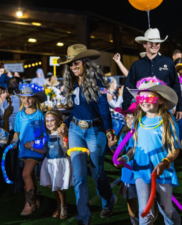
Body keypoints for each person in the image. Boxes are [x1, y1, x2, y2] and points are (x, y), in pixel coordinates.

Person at [57, 44, 117, 225]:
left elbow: (104, 108)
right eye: (71, 64)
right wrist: (64, 123)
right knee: (79, 176)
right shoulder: (73, 82)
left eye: (77, 63)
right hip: (75, 130)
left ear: (85, 62)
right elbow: (76, 110)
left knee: (97, 173)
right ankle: (83, 216)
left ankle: (109, 200)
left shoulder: (97, 80)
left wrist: (109, 131)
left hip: (95, 130)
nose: (74, 67)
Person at [116, 76, 181, 225]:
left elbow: (175, 149)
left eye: (149, 97)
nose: (144, 101)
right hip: (141, 170)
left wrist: (164, 163)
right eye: (141, 97)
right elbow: (135, 148)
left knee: (167, 210)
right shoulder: (138, 121)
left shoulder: (168, 121)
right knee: (144, 213)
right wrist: (125, 158)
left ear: (161, 100)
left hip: (162, 172)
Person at [122, 28, 182, 121]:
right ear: (144, 44)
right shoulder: (136, 65)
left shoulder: (168, 62)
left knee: (166, 135)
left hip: (165, 108)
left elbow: (176, 85)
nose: (154, 45)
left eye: (157, 43)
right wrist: (127, 110)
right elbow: (128, 88)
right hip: (143, 109)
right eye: (151, 42)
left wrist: (179, 107)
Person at [11, 84, 47, 216]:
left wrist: (33, 144)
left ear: (35, 99)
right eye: (23, 98)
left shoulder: (40, 115)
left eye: (29, 98)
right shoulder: (19, 115)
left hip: (35, 150)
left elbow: (45, 135)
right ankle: (36, 200)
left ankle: (29, 204)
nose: (26, 101)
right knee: (30, 175)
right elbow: (16, 132)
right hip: (23, 150)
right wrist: (14, 141)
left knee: (25, 174)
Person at [39, 109, 73, 219]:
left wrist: (64, 138)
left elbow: (66, 149)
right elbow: (44, 150)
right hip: (49, 163)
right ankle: (58, 206)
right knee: (55, 187)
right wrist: (32, 148)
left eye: (52, 120)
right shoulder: (45, 134)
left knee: (60, 188)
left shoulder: (62, 133)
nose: (49, 123)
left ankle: (63, 206)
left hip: (60, 163)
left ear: (59, 121)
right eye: (47, 121)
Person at [109, 110, 139, 225]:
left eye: (133, 117)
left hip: (141, 170)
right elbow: (119, 153)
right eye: (128, 118)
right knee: (130, 198)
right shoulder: (125, 134)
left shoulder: (142, 133)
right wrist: (112, 148)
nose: (130, 120)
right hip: (128, 172)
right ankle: (134, 220)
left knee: (144, 197)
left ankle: (147, 217)